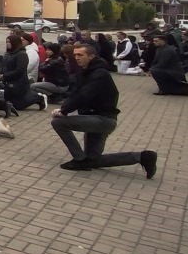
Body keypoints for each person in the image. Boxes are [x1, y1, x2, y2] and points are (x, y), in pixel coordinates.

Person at [51, 43, 158, 177]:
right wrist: (65, 106)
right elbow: (75, 93)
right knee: (93, 160)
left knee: (58, 122)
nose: (77, 58)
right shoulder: (86, 72)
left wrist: (64, 111)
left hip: (103, 120)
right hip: (95, 118)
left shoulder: (99, 74)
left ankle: (79, 160)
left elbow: (84, 94)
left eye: (80, 55)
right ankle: (143, 157)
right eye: (75, 55)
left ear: (91, 56)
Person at [1, 34, 47, 111]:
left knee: (19, 105)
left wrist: (5, 75)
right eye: (6, 42)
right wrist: (0, 73)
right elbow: (4, 65)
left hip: (19, 82)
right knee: (9, 102)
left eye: (9, 42)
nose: (7, 44)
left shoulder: (21, 54)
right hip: (8, 81)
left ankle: (38, 98)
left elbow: (20, 70)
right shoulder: (8, 54)